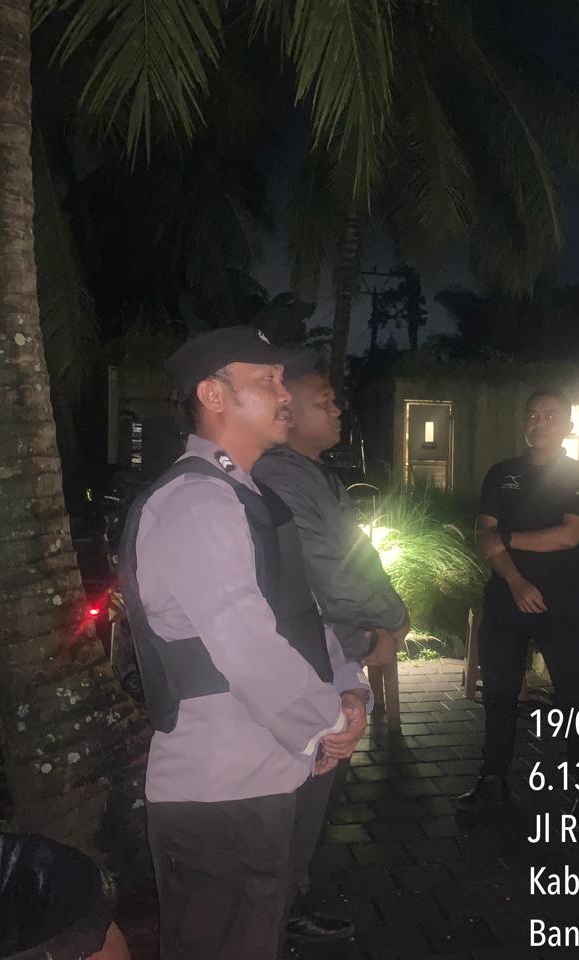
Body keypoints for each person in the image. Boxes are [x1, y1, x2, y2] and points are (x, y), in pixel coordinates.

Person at [119, 327, 371, 960]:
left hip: (266, 772)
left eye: (282, 381)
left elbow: (303, 615)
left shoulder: (251, 496)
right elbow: (245, 640)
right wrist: (328, 722)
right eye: (266, 381)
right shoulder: (195, 502)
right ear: (213, 395)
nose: (285, 394)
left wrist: (349, 687)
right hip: (220, 790)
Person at [252, 349, 409, 944]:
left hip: (336, 655)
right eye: (325, 401)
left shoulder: (313, 474)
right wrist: (392, 621)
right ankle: (275, 919)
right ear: (288, 411)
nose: (338, 409)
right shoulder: (281, 477)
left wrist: (387, 622)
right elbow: (328, 572)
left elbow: (358, 559)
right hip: (310, 662)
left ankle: (288, 903)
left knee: (319, 789)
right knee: (304, 789)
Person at [457, 387, 579, 817]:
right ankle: (493, 780)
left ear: (568, 426)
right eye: (533, 415)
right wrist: (517, 581)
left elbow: (569, 535)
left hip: (561, 602)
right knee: (498, 693)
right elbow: (484, 538)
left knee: (575, 694)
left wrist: (506, 537)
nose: (539, 423)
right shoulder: (502, 474)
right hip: (506, 596)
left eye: (551, 416)